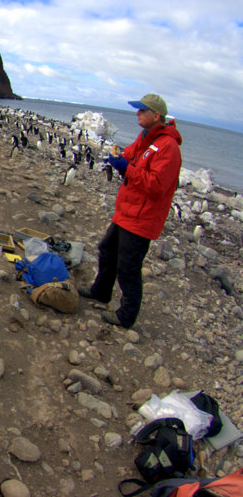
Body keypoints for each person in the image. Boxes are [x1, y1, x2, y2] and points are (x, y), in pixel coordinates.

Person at [79, 94, 182, 328]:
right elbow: (131, 156)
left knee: (129, 267)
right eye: (138, 110)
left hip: (142, 217)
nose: (138, 114)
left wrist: (127, 169)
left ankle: (126, 316)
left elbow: (157, 186)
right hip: (127, 211)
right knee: (107, 249)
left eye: (142, 110)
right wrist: (118, 159)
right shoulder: (147, 137)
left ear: (156, 115)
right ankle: (101, 291)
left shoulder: (168, 147)